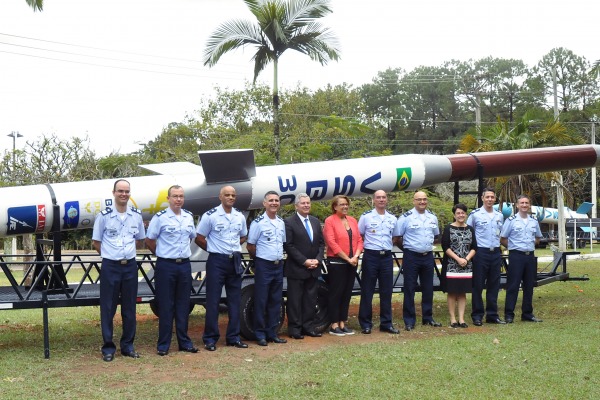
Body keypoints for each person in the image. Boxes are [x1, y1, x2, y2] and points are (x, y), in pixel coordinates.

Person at [92, 179, 145, 362]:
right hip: (111, 266)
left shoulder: (136, 216)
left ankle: (127, 346)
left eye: (127, 191)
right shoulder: (104, 215)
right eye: (120, 191)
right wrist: (110, 255)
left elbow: (139, 240)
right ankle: (108, 348)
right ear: (113, 193)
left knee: (129, 308)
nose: (124, 194)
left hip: (129, 266)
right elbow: (96, 242)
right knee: (108, 308)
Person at [145, 185, 198, 356]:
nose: (178, 199)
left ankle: (184, 342)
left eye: (181, 196)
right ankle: (163, 345)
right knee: (166, 305)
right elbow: (150, 240)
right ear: (168, 198)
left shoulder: (189, 217)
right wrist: (161, 254)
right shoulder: (159, 218)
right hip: (166, 265)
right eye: (175, 196)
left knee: (184, 304)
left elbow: (192, 237)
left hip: (184, 265)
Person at [195, 185, 249, 351]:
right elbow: (199, 238)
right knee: (213, 301)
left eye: (233, 195)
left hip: (234, 260)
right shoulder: (210, 216)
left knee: (235, 301)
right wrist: (214, 249)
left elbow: (243, 236)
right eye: (227, 195)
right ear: (220, 197)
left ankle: (233, 337)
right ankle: (210, 338)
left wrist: (231, 248)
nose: (230, 197)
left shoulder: (239, 216)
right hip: (216, 261)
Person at [394, 190, 442, 331]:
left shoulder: (432, 217)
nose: (422, 202)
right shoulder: (405, 217)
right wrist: (409, 250)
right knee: (410, 288)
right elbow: (397, 238)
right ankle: (409, 320)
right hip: (411, 256)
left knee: (428, 288)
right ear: (414, 201)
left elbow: (436, 236)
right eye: (419, 199)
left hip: (427, 256)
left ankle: (428, 318)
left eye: (424, 199)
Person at [246, 191, 287, 346]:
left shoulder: (280, 222)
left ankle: (272, 332)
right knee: (261, 300)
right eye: (271, 200)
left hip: (278, 265)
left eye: (276, 200)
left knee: (275, 301)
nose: (274, 203)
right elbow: (251, 245)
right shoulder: (258, 223)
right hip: (264, 265)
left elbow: (282, 243)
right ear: (264, 203)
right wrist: (260, 260)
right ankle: (260, 334)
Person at [357, 190, 399, 335]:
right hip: (371, 256)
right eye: (378, 197)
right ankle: (365, 324)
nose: (381, 199)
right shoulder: (366, 217)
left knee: (386, 291)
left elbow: (394, 237)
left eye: (383, 197)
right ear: (373, 200)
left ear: (387, 200)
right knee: (367, 290)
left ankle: (386, 323)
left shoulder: (393, 218)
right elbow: (360, 234)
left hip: (386, 257)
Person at [283, 193, 325, 339]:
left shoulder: (315, 221)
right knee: (295, 300)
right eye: (303, 203)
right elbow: (288, 245)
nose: (306, 205)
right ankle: (295, 329)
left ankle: (308, 327)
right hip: (297, 268)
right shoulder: (288, 222)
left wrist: (318, 260)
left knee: (310, 299)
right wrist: (304, 261)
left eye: (308, 203)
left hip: (314, 269)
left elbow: (321, 243)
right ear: (296, 206)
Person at [323, 195, 363, 336]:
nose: (345, 206)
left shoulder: (352, 220)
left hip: (352, 262)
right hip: (337, 262)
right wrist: (347, 258)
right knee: (336, 293)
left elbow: (359, 239)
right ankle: (334, 324)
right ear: (335, 206)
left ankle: (342, 322)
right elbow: (331, 242)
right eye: (341, 204)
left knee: (347, 293)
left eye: (346, 204)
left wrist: (356, 256)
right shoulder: (330, 221)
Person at [500, 194, 543, 323]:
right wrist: (514, 247)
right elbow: (503, 238)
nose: (524, 205)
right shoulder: (511, 220)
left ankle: (527, 314)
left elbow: (538, 237)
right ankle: (509, 314)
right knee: (513, 285)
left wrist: (529, 245)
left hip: (530, 256)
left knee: (529, 286)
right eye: (522, 203)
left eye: (526, 203)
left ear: (529, 205)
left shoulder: (534, 221)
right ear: (517, 205)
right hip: (516, 256)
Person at [467, 187, 506, 326]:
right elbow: (469, 234)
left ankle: (492, 315)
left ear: (495, 199)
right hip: (480, 253)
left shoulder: (499, 215)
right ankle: (477, 315)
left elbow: (500, 234)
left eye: (492, 197)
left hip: (495, 252)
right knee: (477, 285)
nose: (490, 199)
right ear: (482, 198)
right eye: (487, 197)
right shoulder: (475, 214)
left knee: (494, 285)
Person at [441, 203, 477, 328]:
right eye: (458, 213)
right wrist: (458, 259)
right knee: (452, 292)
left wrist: (466, 259)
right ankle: (453, 319)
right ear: (454, 215)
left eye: (463, 213)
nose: (461, 215)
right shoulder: (448, 229)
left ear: (466, 214)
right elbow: (445, 247)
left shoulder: (470, 229)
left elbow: (474, 247)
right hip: (452, 265)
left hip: (466, 265)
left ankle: (461, 319)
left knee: (462, 292)